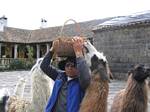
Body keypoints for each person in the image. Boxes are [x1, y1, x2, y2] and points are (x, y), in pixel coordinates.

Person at [40, 36, 91, 112]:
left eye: (73, 66)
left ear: (78, 68)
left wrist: (78, 53)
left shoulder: (81, 83)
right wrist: (52, 50)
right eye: (67, 65)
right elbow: (44, 66)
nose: (70, 68)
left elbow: (85, 78)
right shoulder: (60, 76)